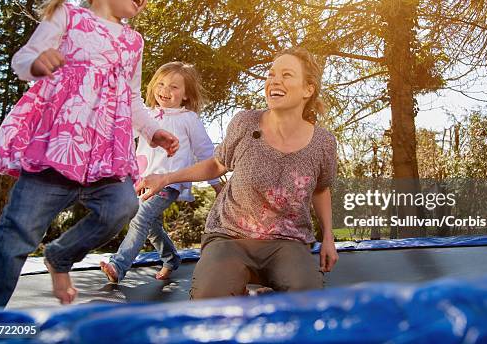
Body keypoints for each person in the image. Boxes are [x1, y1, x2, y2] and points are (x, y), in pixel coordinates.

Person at [0, 0, 179, 307]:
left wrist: (152, 131)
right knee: (17, 233)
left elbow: (130, 99)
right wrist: (39, 63)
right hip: (56, 149)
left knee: (122, 205)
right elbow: (22, 61)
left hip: (103, 158)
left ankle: (61, 254)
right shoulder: (69, 17)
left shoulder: (133, 42)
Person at [136, 47, 339, 299]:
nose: (274, 80)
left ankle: (263, 293)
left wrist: (328, 237)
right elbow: (216, 164)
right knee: (208, 301)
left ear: (308, 89)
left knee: (309, 302)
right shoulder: (245, 122)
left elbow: (321, 189)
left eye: (286, 75)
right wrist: (165, 178)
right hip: (229, 236)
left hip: (288, 241)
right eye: (271, 74)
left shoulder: (323, 143)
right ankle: (243, 290)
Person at [100, 61, 222, 283]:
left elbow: (205, 152)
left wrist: (216, 184)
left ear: (186, 95)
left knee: (140, 217)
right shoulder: (145, 115)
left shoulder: (188, 119)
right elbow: (121, 135)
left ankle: (118, 265)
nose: (166, 90)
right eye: (161, 84)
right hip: (143, 181)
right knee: (152, 226)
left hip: (170, 183)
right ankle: (171, 259)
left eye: (174, 87)